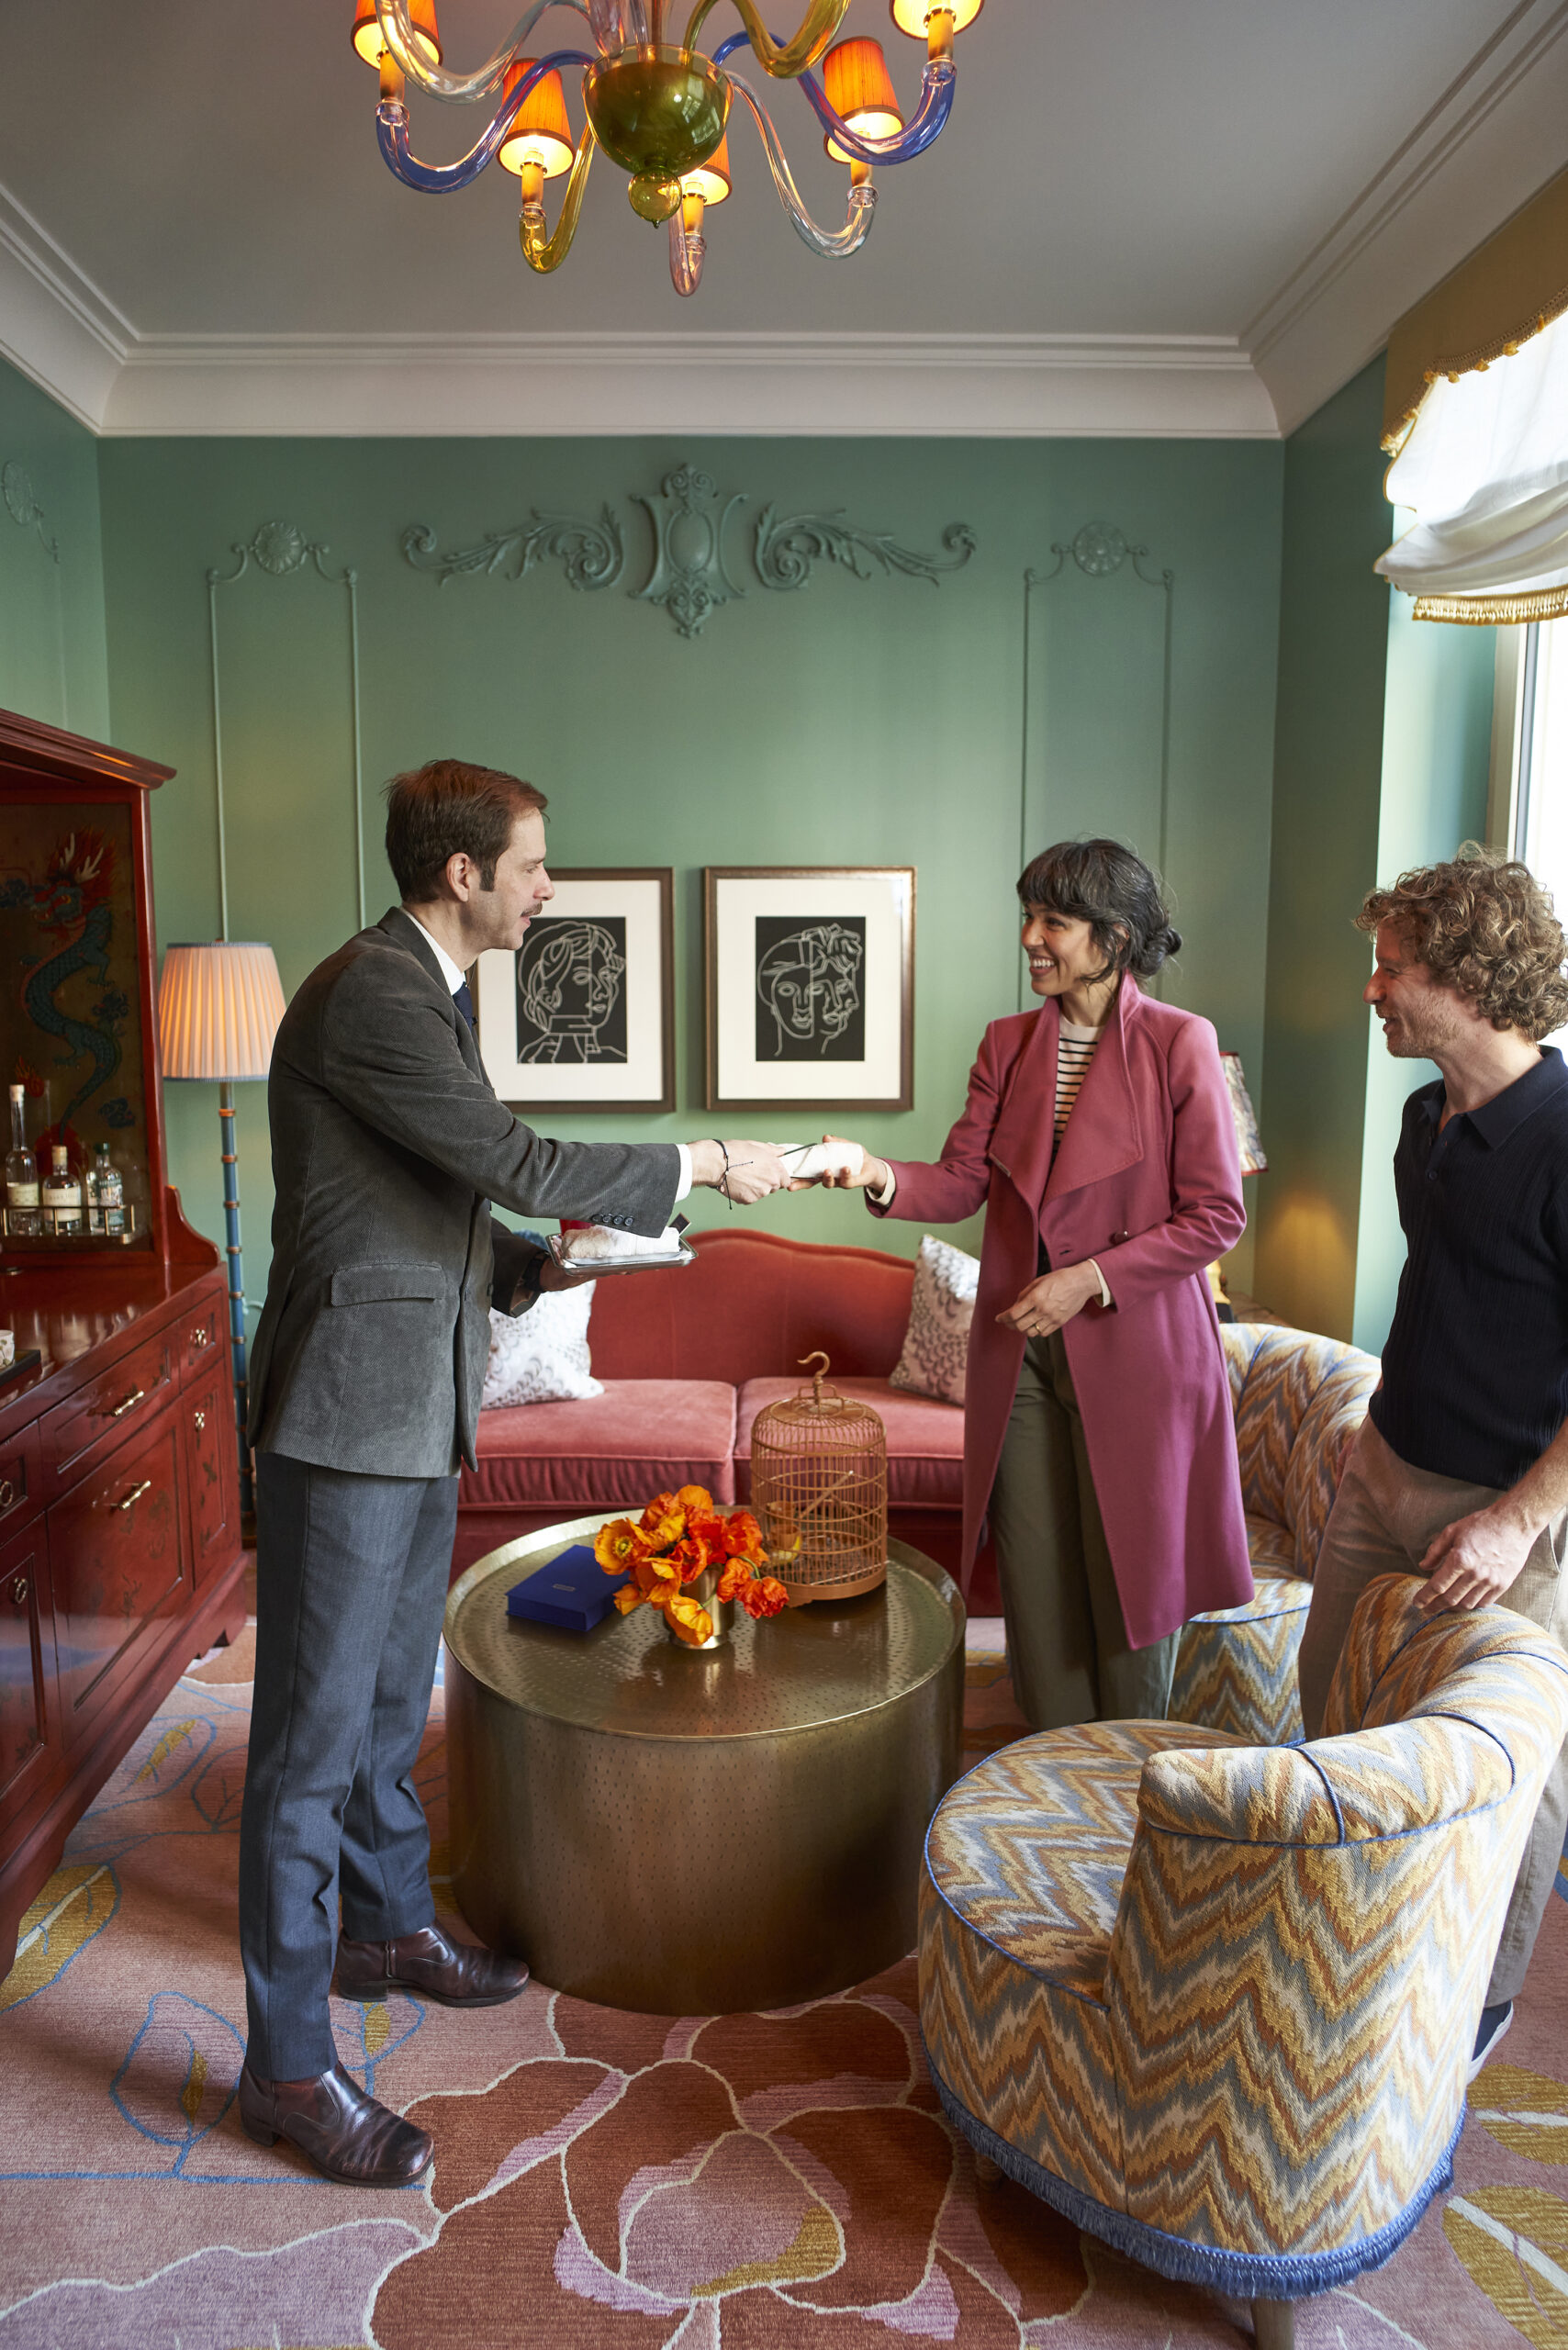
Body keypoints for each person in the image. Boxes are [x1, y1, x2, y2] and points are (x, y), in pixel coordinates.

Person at [237, 758, 790, 2187]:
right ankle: (287, 2066)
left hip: (420, 1403)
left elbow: (432, 1199)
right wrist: (700, 1161)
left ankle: (385, 1928)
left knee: (382, 1696)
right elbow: (508, 1154)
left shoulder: (432, 993)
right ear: (465, 874)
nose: (550, 889)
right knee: (306, 1745)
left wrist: (545, 1261)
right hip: (347, 1411)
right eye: (535, 866)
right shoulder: (373, 988)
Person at [807, 837, 1251, 1729]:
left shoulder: (1181, 1043)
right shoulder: (1006, 1045)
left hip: (1138, 1354)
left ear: (1112, 938)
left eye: (1052, 920)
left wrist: (1084, 1279)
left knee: (1130, 1585)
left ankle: (1127, 1792)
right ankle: (1051, 1784)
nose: (1029, 938)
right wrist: (872, 1171)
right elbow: (961, 1178)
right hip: (1020, 1355)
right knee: (1038, 1592)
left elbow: (1214, 1215)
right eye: (1029, 916)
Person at [1296, 847, 1568, 2079]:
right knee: (1334, 1706)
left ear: (1468, 980)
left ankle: (1470, 2003)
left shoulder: (1564, 1142)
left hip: (1506, 1512)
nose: (1373, 991)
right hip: (1387, 1472)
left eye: (1391, 969)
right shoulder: (1424, 1119)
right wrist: (1381, 1428)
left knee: (1499, 1766)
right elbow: (1448, 1294)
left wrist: (1515, 1523)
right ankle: (1343, 1941)